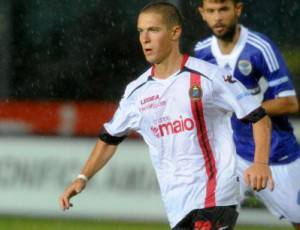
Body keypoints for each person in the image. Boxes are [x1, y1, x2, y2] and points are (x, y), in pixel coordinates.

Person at [59, 1, 274, 229]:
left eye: (153, 30)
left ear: (175, 33)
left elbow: (258, 116)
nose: (145, 39)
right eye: (141, 31)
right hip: (177, 204)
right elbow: (110, 137)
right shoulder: (136, 92)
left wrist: (260, 163)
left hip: (214, 197)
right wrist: (82, 178)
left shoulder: (209, 76)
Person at [194, 0, 300, 229]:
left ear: (238, 9)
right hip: (231, 155)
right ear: (202, 13)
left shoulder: (259, 48)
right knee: (209, 222)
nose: (217, 17)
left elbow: (290, 102)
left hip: (276, 153)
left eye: (223, 9)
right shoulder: (201, 52)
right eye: (211, 11)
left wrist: (247, 109)